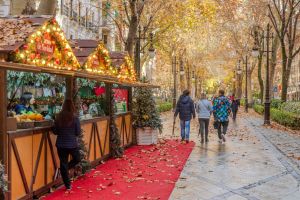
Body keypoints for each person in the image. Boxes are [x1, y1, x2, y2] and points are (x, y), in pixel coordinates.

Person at [52, 99, 81, 190]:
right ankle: (65, 169)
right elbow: (78, 132)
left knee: (63, 163)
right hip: (72, 144)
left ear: (63, 106)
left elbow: (55, 132)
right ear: (72, 106)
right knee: (77, 159)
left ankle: (67, 185)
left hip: (61, 144)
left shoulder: (58, 117)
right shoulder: (75, 118)